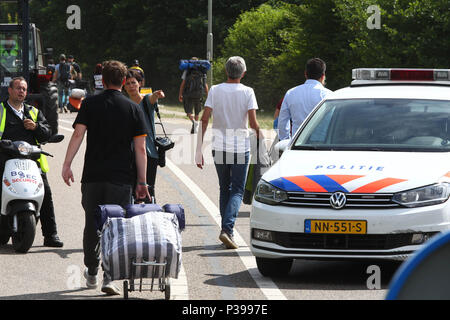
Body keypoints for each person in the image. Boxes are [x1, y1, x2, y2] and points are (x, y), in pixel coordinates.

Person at [61, 60, 150, 295]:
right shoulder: (133, 108)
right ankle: (109, 277)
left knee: (92, 225)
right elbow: (140, 149)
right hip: (121, 178)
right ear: (123, 81)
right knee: (116, 227)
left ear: (102, 80)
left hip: (93, 176)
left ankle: (91, 270)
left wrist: (67, 164)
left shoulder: (90, 104)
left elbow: (78, 134)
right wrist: (142, 182)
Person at [195, 56, 261, 250]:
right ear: (244, 73)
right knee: (238, 190)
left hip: (219, 147)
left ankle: (226, 229)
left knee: (224, 188)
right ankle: (227, 229)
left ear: (226, 71)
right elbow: (253, 123)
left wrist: (199, 149)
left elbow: (205, 119)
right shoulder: (248, 91)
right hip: (240, 147)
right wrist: (261, 138)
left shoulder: (215, 90)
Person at [0, 77, 63, 247]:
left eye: (24, 89)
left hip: (30, 161)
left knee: (46, 193)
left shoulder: (33, 112)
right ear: (10, 90)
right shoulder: (1, 110)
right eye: (18, 88)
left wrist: (36, 127)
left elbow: (47, 133)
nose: (22, 92)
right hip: (5, 158)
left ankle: (51, 235)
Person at [124, 69, 165, 203]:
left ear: (140, 84)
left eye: (134, 83)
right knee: (130, 192)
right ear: (124, 85)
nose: (131, 86)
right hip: (129, 154)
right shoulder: (124, 104)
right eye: (128, 83)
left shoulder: (146, 100)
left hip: (148, 153)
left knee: (148, 191)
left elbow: (152, 97)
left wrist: (157, 95)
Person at [278, 58, 332, 140]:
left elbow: (282, 121)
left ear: (305, 74)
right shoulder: (329, 95)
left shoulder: (291, 93)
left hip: (296, 144)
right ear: (323, 76)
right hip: (322, 145)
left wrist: (286, 141)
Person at [178, 57, 209, 134]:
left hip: (188, 94)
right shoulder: (202, 71)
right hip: (199, 94)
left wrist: (180, 94)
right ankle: (195, 125)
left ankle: (194, 123)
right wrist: (208, 95)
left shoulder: (188, 70)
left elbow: (183, 84)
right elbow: (205, 85)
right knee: (197, 112)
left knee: (188, 112)